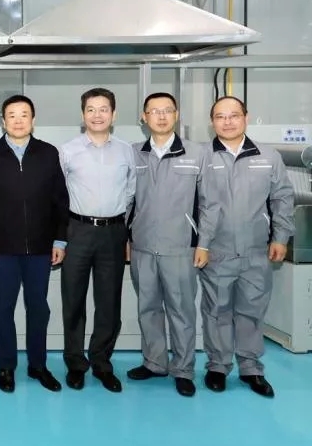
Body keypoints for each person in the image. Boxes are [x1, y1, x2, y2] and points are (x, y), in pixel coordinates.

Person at [197, 96, 295, 398]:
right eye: (220, 116)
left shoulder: (268, 156)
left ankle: (251, 368)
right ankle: (218, 365)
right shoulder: (202, 156)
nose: (227, 122)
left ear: (246, 118)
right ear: (212, 122)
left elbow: (282, 198)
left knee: (252, 310)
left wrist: (281, 237)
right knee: (216, 310)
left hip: (256, 250)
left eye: (234, 115)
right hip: (216, 250)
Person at [0, 95, 68, 393]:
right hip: (3, 247)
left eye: (24, 114)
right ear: (3, 121)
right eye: (12, 115)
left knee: (38, 308)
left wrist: (59, 240)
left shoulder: (48, 153)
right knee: (4, 308)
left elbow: (60, 200)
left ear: (33, 120)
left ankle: (38, 365)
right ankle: (6, 366)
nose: (18, 120)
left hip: (41, 247)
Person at [126, 92, 207, 398]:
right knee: (148, 308)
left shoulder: (197, 153)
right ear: (144, 117)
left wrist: (204, 243)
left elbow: (209, 203)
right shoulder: (134, 154)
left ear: (177, 114)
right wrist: (126, 238)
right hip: (143, 246)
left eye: (167, 110)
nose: (161, 116)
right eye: (154, 111)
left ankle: (183, 369)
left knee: (182, 310)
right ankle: (155, 362)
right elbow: (127, 201)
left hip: (181, 247)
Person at [59, 87, 136, 393]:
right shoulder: (67, 151)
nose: (97, 115)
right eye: (91, 109)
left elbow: (131, 192)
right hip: (77, 230)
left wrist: (124, 232)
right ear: (83, 115)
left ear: (113, 115)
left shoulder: (126, 151)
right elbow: (58, 195)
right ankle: (75, 363)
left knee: (109, 302)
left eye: (104, 109)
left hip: (113, 232)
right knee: (73, 300)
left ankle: (102, 362)